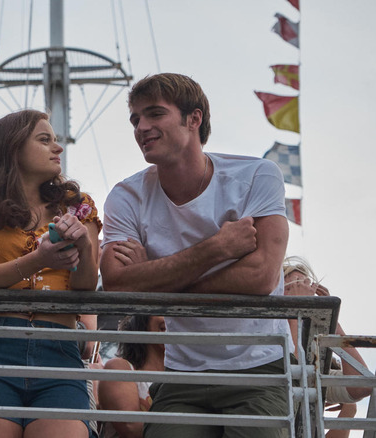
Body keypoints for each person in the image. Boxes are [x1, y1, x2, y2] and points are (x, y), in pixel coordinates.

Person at [100, 73, 291, 438]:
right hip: (183, 371)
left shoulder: (257, 176)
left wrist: (158, 286)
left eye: (155, 114)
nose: (142, 126)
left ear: (194, 119)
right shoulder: (126, 196)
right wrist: (215, 249)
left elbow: (261, 276)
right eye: (135, 119)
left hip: (260, 367)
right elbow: (117, 284)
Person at [0, 109, 101, 438]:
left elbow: (85, 287)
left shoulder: (79, 205)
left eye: (56, 140)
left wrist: (86, 248)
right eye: (45, 139)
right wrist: (39, 259)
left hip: (60, 350)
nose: (58, 147)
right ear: (13, 148)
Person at [283, 257, 370, 438]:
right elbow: (288, 379)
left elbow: (362, 385)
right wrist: (294, 312)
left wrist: (332, 323)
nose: (302, 291)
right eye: (292, 287)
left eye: (305, 286)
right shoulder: (259, 346)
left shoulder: (313, 363)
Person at [97, 315, 165, 438]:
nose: (172, 320)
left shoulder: (189, 375)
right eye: (165, 311)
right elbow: (131, 427)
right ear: (143, 321)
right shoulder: (120, 367)